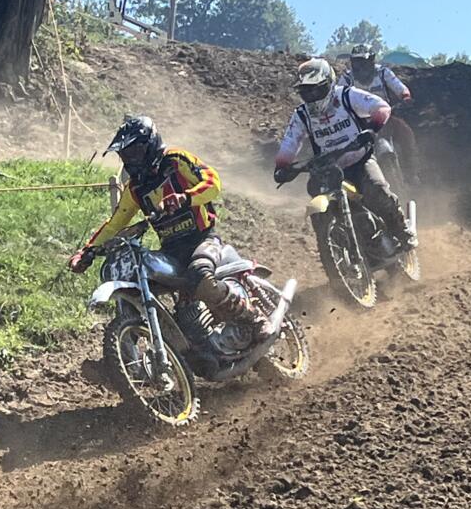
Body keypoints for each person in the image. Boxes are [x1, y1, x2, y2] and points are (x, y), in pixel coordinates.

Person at [69, 116, 259, 326]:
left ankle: (253, 318)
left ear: (150, 144)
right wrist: (87, 252)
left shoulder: (176, 160)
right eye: (126, 155)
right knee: (147, 282)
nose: (131, 160)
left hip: (202, 239)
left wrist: (186, 197)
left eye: (135, 152)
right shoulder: (135, 188)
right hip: (171, 250)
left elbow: (212, 182)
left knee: (200, 276)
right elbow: (115, 224)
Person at [274, 57, 416, 251]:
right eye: (306, 91)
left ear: (329, 84)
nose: (312, 95)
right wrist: (282, 166)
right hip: (327, 169)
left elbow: (381, 107)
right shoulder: (302, 114)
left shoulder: (346, 96)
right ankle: (333, 245)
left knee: (377, 189)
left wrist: (371, 130)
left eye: (316, 89)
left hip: (360, 160)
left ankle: (401, 229)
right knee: (315, 199)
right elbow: (290, 142)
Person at [339, 44, 420, 184]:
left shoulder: (383, 73)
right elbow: (338, 96)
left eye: (363, 62)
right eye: (357, 62)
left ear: (371, 61)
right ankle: (346, 179)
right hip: (359, 122)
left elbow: (399, 87)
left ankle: (411, 173)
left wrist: (405, 96)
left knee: (406, 132)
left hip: (384, 117)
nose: (360, 67)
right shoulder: (347, 79)